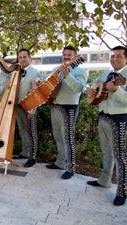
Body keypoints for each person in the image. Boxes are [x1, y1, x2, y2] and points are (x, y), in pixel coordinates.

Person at [86, 46, 127, 206]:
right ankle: (104, 180)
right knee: (106, 152)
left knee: (120, 157)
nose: (114, 59)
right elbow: (97, 86)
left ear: (126, 58)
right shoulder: (106, 73)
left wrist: (117, 90)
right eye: (112, 56)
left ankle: (122, 191)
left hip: (119, 119)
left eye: (119, 56)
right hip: (103, 116)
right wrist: (92, 92)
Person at [45, 46, 87, 179]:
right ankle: (60, 162)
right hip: (55, 106)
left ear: (75, 56)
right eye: (64, 54)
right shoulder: (55, 69)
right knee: (58, 136)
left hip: (69, 108)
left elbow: (79, 88)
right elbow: (48, 85)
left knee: (68, 139)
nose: (66, 57)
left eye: (69, 54)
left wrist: (67, 75)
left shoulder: (81, 71)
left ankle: (71, 168)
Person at [15, 49, 41, 167]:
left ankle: (33, 157)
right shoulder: (17, 72)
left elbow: (37, 93)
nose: (22, 59)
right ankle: (25, 152)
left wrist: (32, 110)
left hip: (30, 107)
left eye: (24, 57)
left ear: (29, 58)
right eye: (20, 57)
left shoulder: (35, 73)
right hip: (19, 106)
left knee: (32, 132)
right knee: (22, 130)